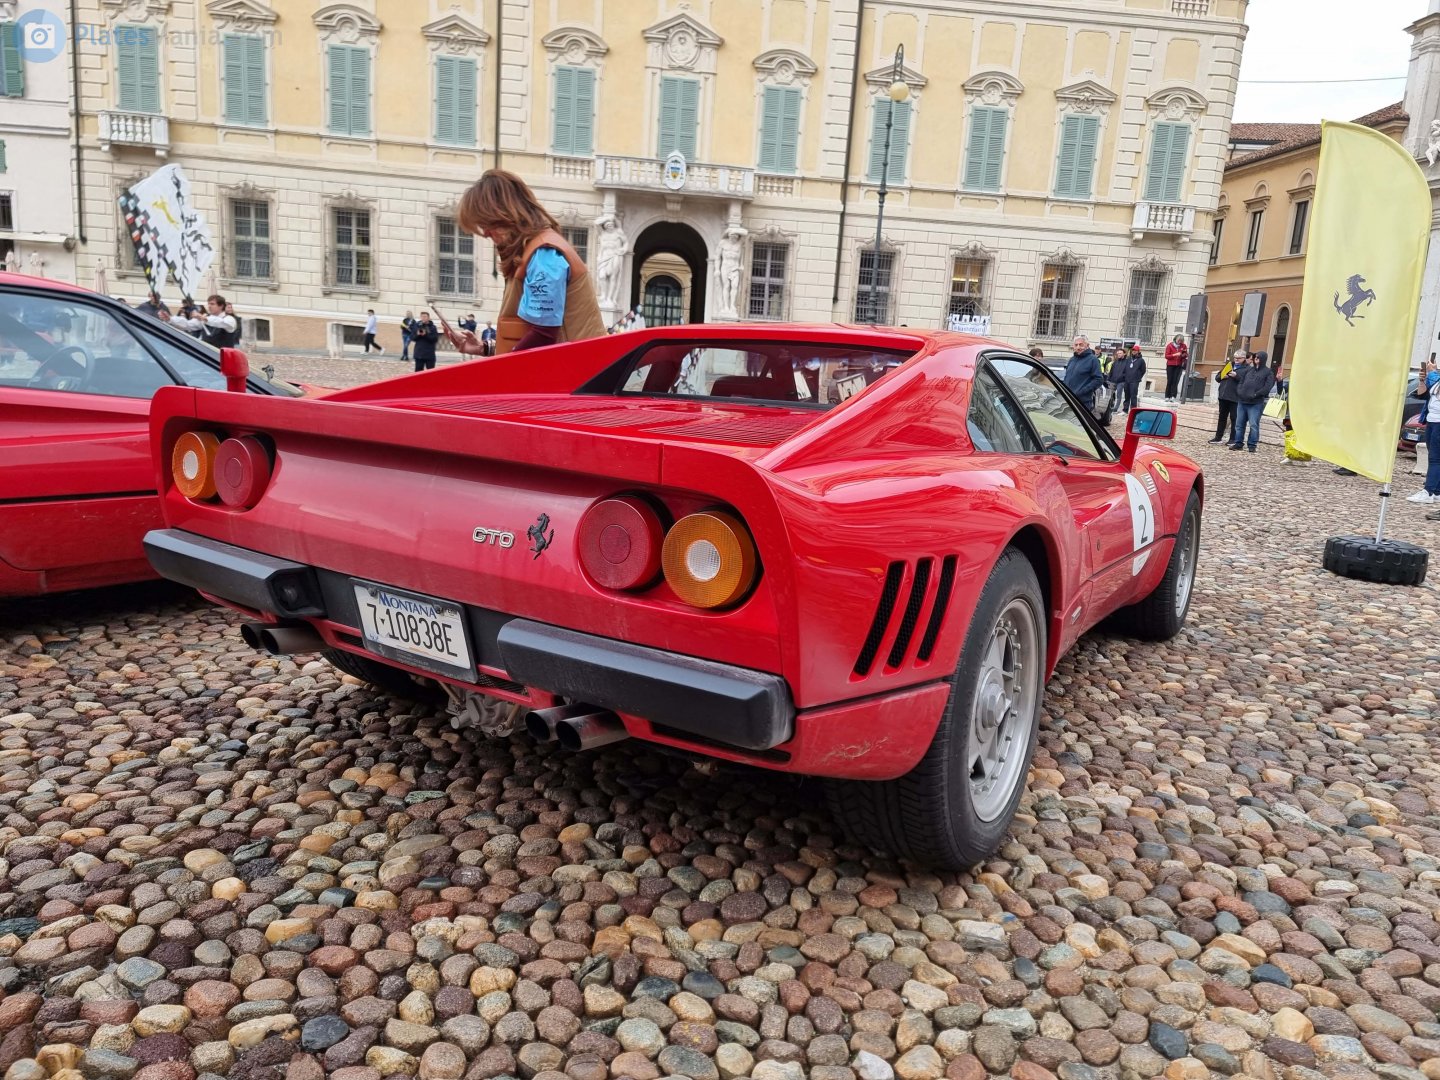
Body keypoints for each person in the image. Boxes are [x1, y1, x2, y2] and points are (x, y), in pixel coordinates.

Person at [452, 169, 605, 354]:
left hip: (569, 374)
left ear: (504, 215)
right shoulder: (533, 251)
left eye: (486, 224)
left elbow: (544, 335)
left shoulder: (544, 254)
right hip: (566, 370)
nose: (485, 233)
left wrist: (499, 367)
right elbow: (529, 334)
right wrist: (485, 347)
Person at [1407, 360, 1440, 504]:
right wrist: (1422, 380)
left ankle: (1428, 491)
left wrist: (1432, 373)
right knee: (1434, 457)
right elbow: (1422, 395)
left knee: (1435, 459)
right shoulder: (1437, 379)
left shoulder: (1436, 377)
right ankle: (1437, 492)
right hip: (1432, 420)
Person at [1230, 351, 1275, 452]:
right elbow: (1241, 381)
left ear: (1263, 359)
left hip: (1255, 403)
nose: (1256, 359)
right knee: (1239, 424)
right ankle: (1238, 443)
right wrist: (1240, 391)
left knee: (1254, 425)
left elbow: (1267, 387)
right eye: (1255, 357)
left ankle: (1252, 445)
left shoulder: (1268, 372)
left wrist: (1256, 394)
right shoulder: (1249, 370)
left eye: (1258, 357)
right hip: (1242, 401)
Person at [163, 293, 240, 348]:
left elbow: (220, 323)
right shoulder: (205, 317)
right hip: (207, 357)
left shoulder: (230, 319)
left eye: (212, 304)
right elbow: (187, 324)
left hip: (224, 358)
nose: (209, 306)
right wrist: (170, 319)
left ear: (221, 306)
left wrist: (204, 318)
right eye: (208, 304)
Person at [1062, 335, 1103, 413]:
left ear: (1087, 345)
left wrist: (1081, 392)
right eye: (1076, 345)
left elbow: (1098, 380)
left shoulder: (1093, 360)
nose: (1078, 347)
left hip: (1083, 403)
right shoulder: (1072, 360)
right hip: (1068, 401)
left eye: (1081, 344)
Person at [1211, 351, 1243, 444]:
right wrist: (1222, 376)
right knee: (1222, 417)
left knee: (1234, 418)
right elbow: (1217, 378)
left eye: (1239, 358)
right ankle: (1218, 437)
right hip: (1223, 396)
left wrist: (1236, 376)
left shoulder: (1246, 369)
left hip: (1235, 397)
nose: (1236, 359)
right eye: (1235, 357)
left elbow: (1245, 381)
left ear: (1243, 358)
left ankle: (1232, 439)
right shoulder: (1229, 365)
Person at [1164, 334, 1188, 402]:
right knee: (1170, 381)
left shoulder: (1183, 346)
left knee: (1175, 381)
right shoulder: (1170, 345)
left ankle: (1173, 396)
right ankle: (1167, 396)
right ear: (1175, 339)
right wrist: (1175, 354)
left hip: (1178, 365)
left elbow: (1186, 354)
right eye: (1178, 340)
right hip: (1170, 365)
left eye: (1181, 341)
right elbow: (1166, 356)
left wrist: (1183, 355)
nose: (1179, 342)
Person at [1122, 345, 1147, 413]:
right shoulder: (1129, 359)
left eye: (1135, 350)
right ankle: (1125, 410)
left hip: (1134, 381)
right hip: (1127, 380)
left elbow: (1143, 370)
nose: (1133, 351)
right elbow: (1125, 368)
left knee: (1133, 396)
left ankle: (1133, 411)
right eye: (1133, 350)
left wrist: (1138, 377)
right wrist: (1125, 376)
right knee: (1127, 395)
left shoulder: (1141, 360)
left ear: (1138, 351)